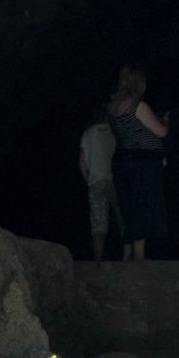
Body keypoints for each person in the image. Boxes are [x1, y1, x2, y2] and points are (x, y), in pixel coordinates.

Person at [108, 66, 168, 261]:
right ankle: (140, 257)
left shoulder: (113, 105)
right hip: (141, 162)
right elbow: (161, 132)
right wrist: (166, 122)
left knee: (129, 206)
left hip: (122, 159)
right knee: (142, 206)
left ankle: (128, 254)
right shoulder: (138, 105)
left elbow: (133, 131)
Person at [78, 108, 120, 261]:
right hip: (117, 181)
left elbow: (82, 162)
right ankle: (129, 257)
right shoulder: (116, 132)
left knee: (98, 226)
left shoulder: (88, 134)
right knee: (123, 219)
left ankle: (98, 260)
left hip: (96, 183)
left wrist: (89, 179)